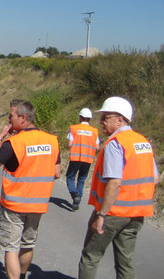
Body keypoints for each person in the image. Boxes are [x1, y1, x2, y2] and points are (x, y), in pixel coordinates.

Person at [78, 97, 159, 279]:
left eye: (105, 117)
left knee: (90, 257)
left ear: (119, 120)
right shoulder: (142, 142)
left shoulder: (116, 143)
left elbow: (115, 182)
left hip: (113, 212)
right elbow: (154, 178)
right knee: (125, 263)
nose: (100, 121)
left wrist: (101, 215)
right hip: (137, 214)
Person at [0, 99, 61, 279]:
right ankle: (21, 275)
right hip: (38, 204)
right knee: (28, 245)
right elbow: (57, 173)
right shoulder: (52, 141)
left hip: (14, 204)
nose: (9, 121)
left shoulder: (14, 142)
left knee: (11, 248)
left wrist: (0, 137)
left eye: (11, 116)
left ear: (22, 118)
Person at [66, 108, 100, 210]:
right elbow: (97, 147)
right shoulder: (94, 131)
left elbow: (70, 144)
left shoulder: (74, 128)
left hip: (76, 157)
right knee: (81, 179)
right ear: (89, 119)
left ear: (80, 117)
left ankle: (74, 195)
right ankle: (78, 200)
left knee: (70, 177)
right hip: (88, 159)